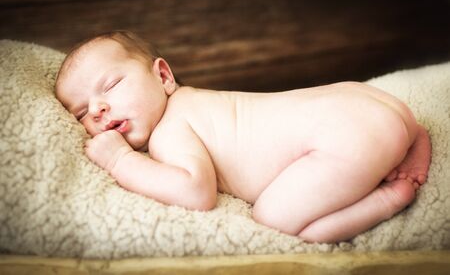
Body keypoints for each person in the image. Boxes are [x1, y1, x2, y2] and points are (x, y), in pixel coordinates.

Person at [55, 30, 431, 243]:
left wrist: (120, 159)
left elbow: (195, 192)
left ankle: (386, 200)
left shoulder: (171, 128)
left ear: (164, 77)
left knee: (271, 220)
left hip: (345, 138)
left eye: (112, 85)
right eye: (83, 113)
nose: (99, 109)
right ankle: (411, 137)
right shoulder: (200, 102)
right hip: (370, 105)